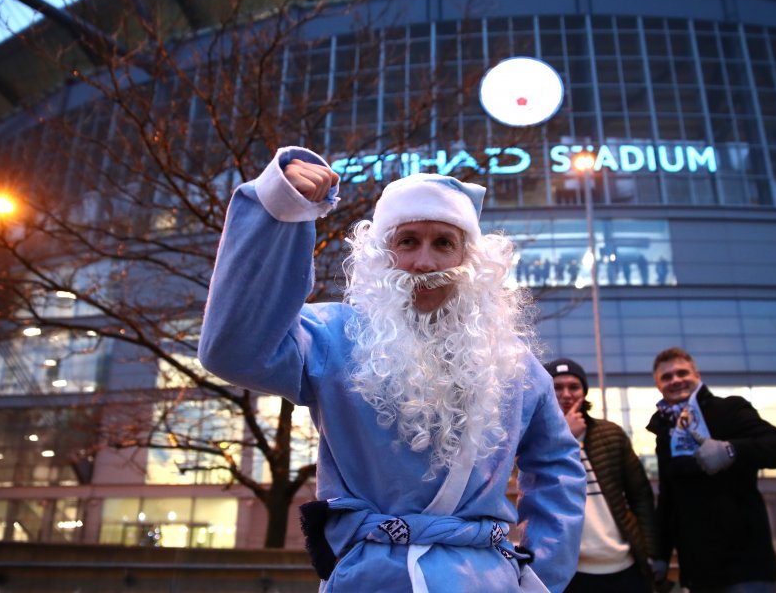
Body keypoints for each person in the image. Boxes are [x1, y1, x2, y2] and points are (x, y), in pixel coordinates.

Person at [198, 146, 586, 592]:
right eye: (408, 241)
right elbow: (233, 351)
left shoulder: (513, 362)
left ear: (469, 260)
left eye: (444, 243)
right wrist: (279, 211)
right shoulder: (332, 335)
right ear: (382, 254)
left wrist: (541, 576)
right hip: (369, 579)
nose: (425, 263)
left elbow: (557, 465)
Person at [645, 347, 776, 593]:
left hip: (746, 566)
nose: (675, 380)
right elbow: (668, 501)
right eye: (666, 377)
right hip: (698, 572)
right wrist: (661, 555)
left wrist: (732, 450)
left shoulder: (729, 409)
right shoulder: (665, 433)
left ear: (697, 375)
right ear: (658, 386)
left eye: (681, 373)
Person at [544, 358, 657, 593]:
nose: (566, 394)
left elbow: (640, 496)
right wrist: (564, 435)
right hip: (569, 571)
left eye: (573, 387)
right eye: (557, 387)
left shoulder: (611, 434)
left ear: (584, 392)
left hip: (624, 565)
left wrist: (650, 551)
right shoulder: (536, 440)